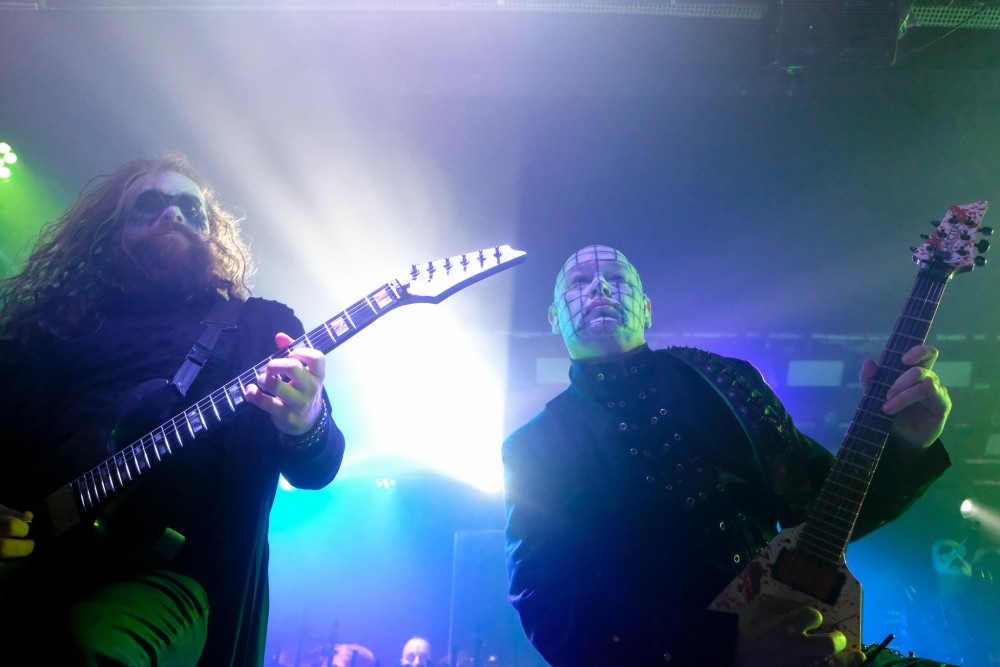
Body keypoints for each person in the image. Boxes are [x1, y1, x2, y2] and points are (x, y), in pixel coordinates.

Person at [502, 245, 957, 666]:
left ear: (647, 308)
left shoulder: (728, 382)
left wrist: (907, 444)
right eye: (579, 282)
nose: (600, 286)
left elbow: (827, 515)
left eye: (618, 279)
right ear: (554, 318)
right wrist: (722, 645)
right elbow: (548, 608)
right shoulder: (536, 447)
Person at [0, 154, 346, 665]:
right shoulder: (50, 330)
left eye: (190, 207)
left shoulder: (258, 327)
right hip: (32, 565)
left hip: (169, 577)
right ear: (111, 231)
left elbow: (318, 468)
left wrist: (307, 421)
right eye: (151, 203)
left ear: (210, 231)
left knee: (82, 650)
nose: (173, 214)